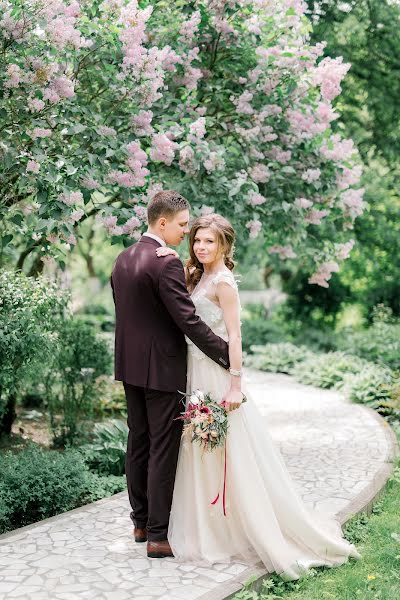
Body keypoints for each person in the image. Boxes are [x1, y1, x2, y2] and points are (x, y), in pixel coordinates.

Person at [157, 213, 360, 580]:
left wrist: (236, 385)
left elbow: (234, 336)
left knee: (225, 453)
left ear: (225, 246)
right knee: (202, 452)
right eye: (197, 241)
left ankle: (241, 529)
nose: (201, 247)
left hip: (217, 377)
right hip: (194, 373)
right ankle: (212, 528)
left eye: (209, 242)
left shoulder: (224, 282)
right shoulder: (198, 276)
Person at [110, 192, 230, 559]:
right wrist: (225, 354)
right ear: (161, 223)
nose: (185, 232)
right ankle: (159, 538)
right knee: (163, 448)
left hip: (129, 368)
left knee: (138, 442)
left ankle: (140, 521)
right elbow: (187, 320)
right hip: (162, 369)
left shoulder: (122, 258)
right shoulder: (166, 263)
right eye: (181, 225)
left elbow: (129, 312)